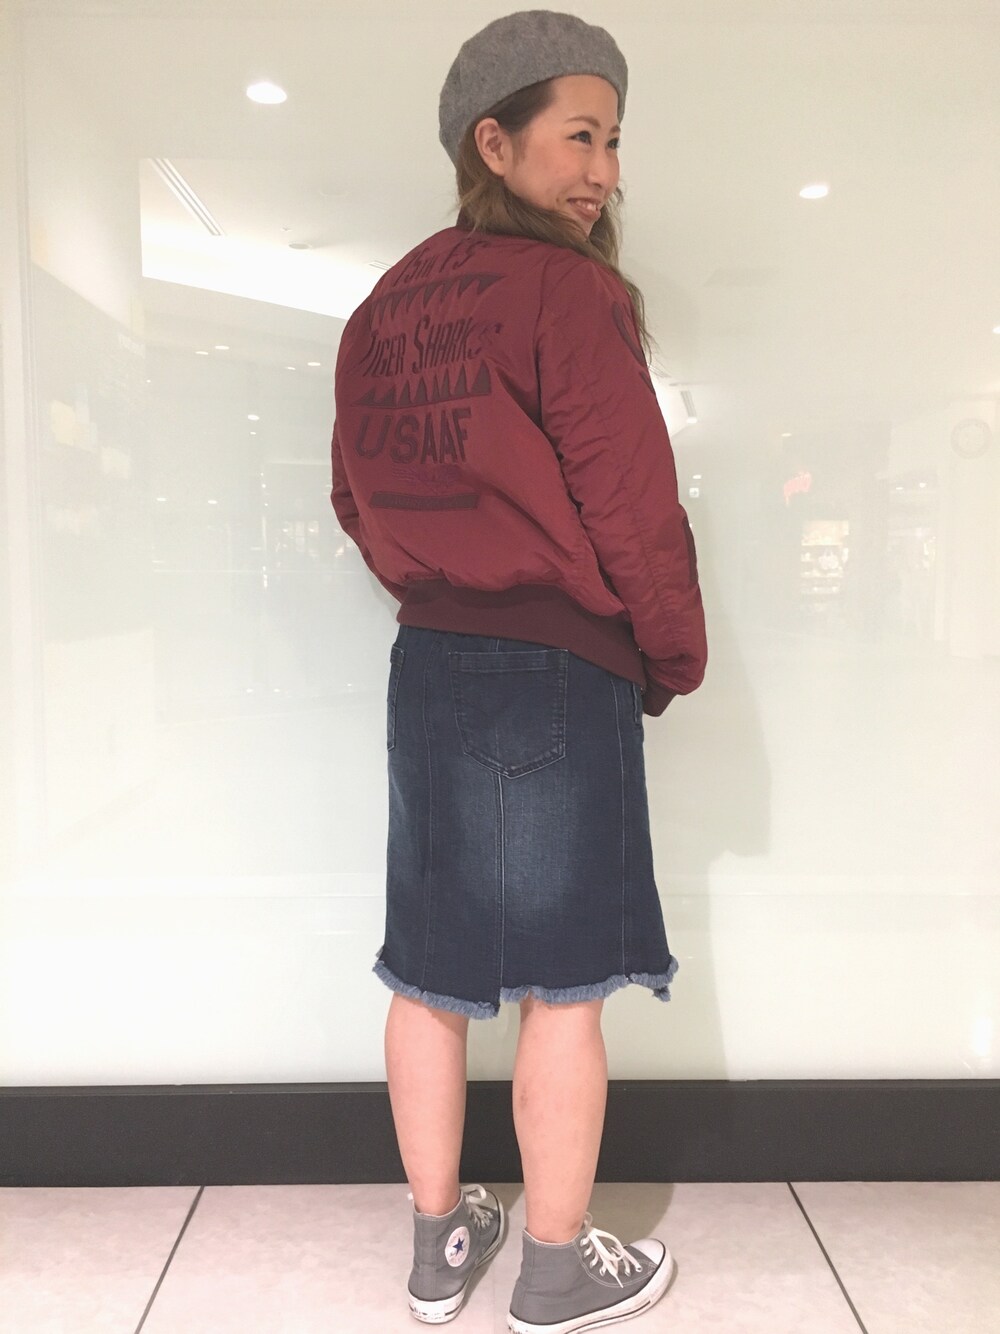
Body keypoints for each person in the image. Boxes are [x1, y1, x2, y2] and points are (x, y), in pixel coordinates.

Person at [329, 11, 708, 1331]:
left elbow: (354, 498)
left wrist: (440, 581)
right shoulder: (570, 292)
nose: (605, 169)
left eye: (614, 141)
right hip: (558, 668)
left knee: (428, 974)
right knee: (565, 985)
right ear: (493, 143)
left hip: (431, 666)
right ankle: (554, 1269)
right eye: (580, 136)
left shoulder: (382, 306)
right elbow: (633, 508)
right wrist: (670, 653)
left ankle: (441, 1247)